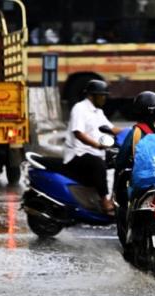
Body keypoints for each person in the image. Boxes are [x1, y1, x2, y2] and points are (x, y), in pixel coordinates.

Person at [63, 80, 123, 214]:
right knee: (98, 164)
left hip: (95, 152)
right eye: (102, 95)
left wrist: (133, 131)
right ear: (91, 96)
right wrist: (96, 145)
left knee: (121, 159)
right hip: (78, 154)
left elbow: (112, 129)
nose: (104, 98)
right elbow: (78, 133)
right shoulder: (80, 108)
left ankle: (116, 197)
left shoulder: (98, 112)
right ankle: (104, 201)